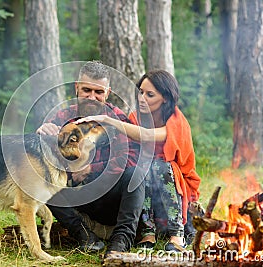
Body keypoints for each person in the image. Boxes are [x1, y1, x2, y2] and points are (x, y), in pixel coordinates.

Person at [76, 69, 201, 252]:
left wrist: (108, 120)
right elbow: (130, 153)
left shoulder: (175, 119)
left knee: (158, 166)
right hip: (147, 179)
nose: (142, 98)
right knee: (140, 167)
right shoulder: (136, 117)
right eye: (140, 92)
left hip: (175, 180)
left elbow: (148, 135)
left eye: (149, 95)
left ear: (165, 98)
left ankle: (177, 233)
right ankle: (147, 230)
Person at [36, 61, 146, 256]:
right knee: (43, 179)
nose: (92, 97)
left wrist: (89, 169)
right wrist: (41, 136)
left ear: (108, 93)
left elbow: (130, 158)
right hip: (79, 201)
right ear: (77, 87)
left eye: (99, 92)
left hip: (111, 199)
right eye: (86, 90)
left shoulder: (117, 119)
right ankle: (84, 235)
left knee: (135, 174)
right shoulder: (62, 117)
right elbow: (46, 160)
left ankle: (121, 241)